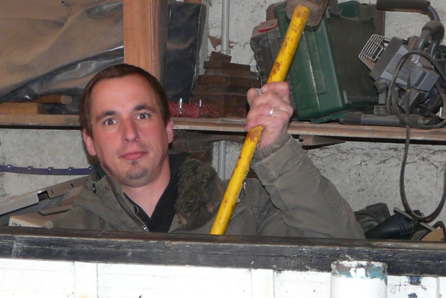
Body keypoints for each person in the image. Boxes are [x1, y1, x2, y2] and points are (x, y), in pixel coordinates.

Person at [45, 63, 363, 238]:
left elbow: (344, 249)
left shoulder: (245, 209)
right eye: (110, 121)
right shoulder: (72, 235)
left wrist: (276, 149)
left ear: (168, 128)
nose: (130, 134)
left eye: (142, 116)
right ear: (90, 141)